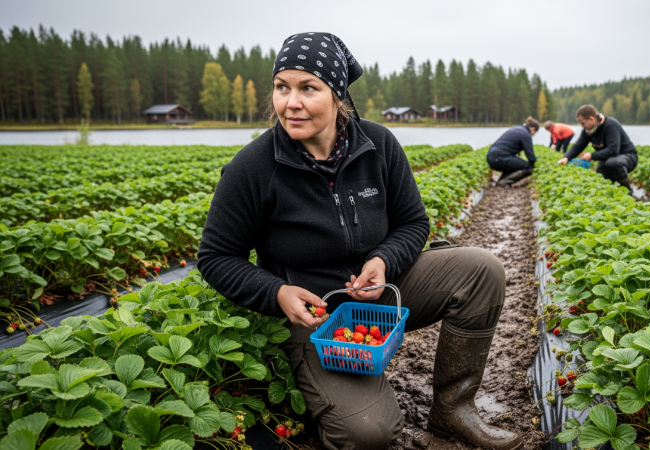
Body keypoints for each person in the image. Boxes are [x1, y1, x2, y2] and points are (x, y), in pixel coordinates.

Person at [197, 32, 522, 450]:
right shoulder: (253, 167)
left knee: (481, 271)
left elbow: (412, 223)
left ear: (337, 95)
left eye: (307, 88)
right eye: (282, 87)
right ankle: (334, 395)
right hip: (317, 319)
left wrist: (384, 260)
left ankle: (453, 409)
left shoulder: (378, 145)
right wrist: (276, 293)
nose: (290, 102)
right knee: (369, 433)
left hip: (382, 290)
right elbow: (216, 256)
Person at [558, 105, 637, 194]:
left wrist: (591, 155)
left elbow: (613, 151)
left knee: (612, 163)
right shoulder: (588, 130)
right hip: (607, 159)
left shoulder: (610, 125)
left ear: (591, 119)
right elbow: (579, 145)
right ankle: (614, 196)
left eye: (583, 123)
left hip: (628, 156)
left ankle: (627, 191)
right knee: (600, 177)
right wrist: (566, 158)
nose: (582, 126)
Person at [486, 118, 539, 187]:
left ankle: (500, 181)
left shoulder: (517, 128)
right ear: (532, 129)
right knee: (528, 167)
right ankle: (504, 182)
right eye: (535, 132)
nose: (534, 134)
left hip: (491, 157)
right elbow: (531, 156)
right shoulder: (526, 134)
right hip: (499, 158)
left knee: (513, 163)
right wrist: (535, 165)